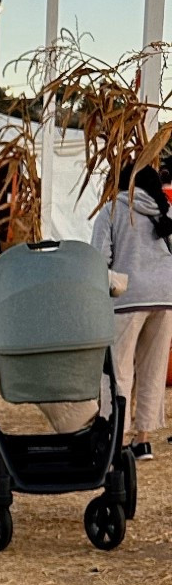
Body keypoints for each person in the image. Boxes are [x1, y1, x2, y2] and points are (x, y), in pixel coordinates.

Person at [91, 164, 172, 459]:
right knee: (153, 371)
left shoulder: (111, 211)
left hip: (126, 299)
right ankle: (144, 439)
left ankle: (118, 438)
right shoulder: (165, 211)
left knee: (119, 371)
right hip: (165, 298)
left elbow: (100, 259)